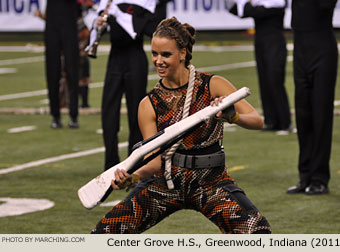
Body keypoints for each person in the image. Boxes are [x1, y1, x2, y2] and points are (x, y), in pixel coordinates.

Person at [91, 17, 271, 234]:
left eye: (166, 54)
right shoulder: (148, 105)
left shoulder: (213, 85)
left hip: (210, 182)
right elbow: (156, 162)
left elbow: (257, 120)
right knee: (104, 233)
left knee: (258, 233)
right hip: (167, 182)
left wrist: (233, 117)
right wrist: (134, 176)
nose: (158, 61)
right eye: (155, 54)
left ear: (183, 53)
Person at [92, 0, 172, 171]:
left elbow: (144, 31)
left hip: (135, 59)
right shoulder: (110, 3)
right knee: (108, 112)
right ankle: (110, 163)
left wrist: (118, 14)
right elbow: (98, 25)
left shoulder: (146, 3)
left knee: (137, 112)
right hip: (114, 59)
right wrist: (98, 24)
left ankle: (134, 162)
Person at [287, 0, 338, 195]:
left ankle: (320, 178)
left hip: (322, 48)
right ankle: (305, 175)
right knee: (303, 114)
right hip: (300, 48)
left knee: (321, 115)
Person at [228, 0, 292, 134]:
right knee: (264, 81)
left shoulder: (276, 3)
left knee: (275, 80)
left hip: (275, 43)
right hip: (261, 43)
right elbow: (237, 10)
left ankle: (285, 123)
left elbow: (253, 10)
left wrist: (247, 5)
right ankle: (271, 121)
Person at [44, 0, 80, 129]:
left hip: (69, 21)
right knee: (52, 71)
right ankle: (55, 115)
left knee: (72, 71)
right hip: (53, 22)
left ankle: (74, 115)